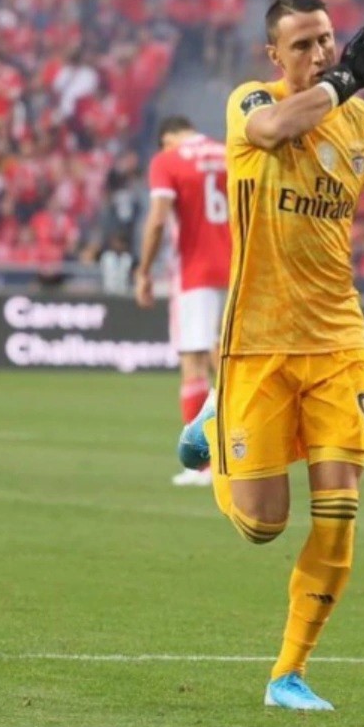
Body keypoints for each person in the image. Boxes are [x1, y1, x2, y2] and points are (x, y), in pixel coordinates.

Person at [176, 0, 364, 711]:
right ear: (274, 55)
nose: (318, 54)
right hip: (257, 344)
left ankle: (289, 673)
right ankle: (217, 421)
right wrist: (344, 79)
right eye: (303, 44)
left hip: (338, 342)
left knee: (339, 513)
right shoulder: (252, 102)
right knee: (262, 525)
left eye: (327, 40)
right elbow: (277, 129)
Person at [136, 115, 231, 487]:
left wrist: (144, 270)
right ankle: (244, 453)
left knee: (194, 364)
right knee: (230, 364)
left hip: (195, 274)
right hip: (239, 270)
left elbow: (159, 220)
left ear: (167, 139)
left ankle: (203, 466)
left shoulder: (168, 160)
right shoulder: (230, 153)